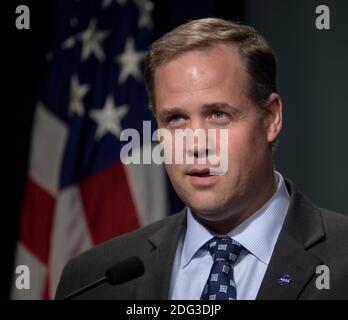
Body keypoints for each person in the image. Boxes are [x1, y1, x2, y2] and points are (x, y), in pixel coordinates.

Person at [55, 18, 348, 300]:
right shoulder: (91, 280)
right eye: (176, 119)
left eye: (218, 115)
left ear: (270, 118)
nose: (196, 145)